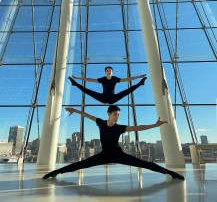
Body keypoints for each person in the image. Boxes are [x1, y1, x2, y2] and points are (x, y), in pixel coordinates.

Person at [43, 105, 185, 181]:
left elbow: (138, 128)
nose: (117, 117)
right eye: (115, 114)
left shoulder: (120, 127)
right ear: (109, 114)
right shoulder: (101, 123)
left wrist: (154, 125)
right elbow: (87, 115)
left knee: (145, 164)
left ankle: (171, 173)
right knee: (81, 164)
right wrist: (74, 110)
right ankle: (55, 172)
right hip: (104, 155)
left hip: (118, 154)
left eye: (118, 115)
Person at [68, 66, 147, 104]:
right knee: (88, 91)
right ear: (105, 72)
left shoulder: (115, 79)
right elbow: (90, 80)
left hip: (113, 98)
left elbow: (127, 79)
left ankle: (140, 83)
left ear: (112, 72)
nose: (109, 72)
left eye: (110, 71)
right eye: (107, 71)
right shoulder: (103, 79)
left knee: (127, 91)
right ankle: (75, 83)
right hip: (103, 98)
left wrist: (138, 77)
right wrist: (78, 78)